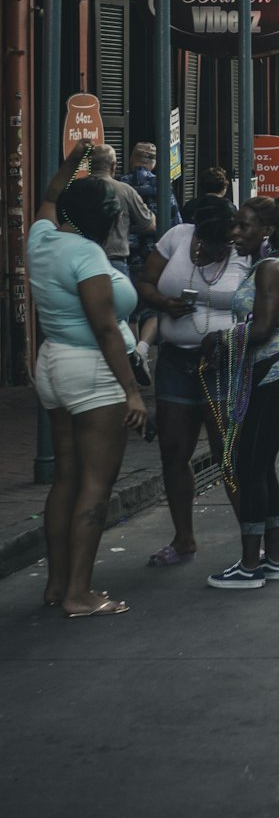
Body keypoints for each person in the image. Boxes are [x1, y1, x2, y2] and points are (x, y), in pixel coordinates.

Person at [26, 144, 147, 617]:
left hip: (53, 363)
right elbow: (103, 329)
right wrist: (132, 391)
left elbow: (52, 195)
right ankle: (80, 593)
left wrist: (75, 158)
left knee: (66, 479)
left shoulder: (42, 238)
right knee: (97, 484)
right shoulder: (88, 257)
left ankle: (57, 585)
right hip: (93, 370)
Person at [136, 196, 250, 566]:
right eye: (205, 242)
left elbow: (264, 309)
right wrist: (166, 304)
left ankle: (253, 544)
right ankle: (183, 539)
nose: (211, 250)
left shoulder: (245, 254)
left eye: (221, 243)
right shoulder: (176, 237)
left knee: (227, 456)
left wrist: (235, 340)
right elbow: (147, 284)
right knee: (174, 451)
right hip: (175, 361)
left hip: (222, 365)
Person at [205, 196, 279, 589]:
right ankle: (276, 559)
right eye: (235, 224)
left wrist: (219, 338)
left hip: (277, 376)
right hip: (268, 376)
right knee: (260, 466)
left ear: (267, 230)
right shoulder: (261, 268)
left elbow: (263, 329)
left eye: (244, 226)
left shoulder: (269, 269)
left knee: (248, 467)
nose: (235, 233)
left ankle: (250, 565)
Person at [88, 145, 155, 277]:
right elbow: (149, 225)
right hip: (115, 261)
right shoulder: (125, 190)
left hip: (83, 261)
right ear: (113, 165)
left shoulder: (77, 188)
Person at [121, 142, 181, 278]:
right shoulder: (162, 185)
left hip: (124, 252)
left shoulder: (119, 183)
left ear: (132, 159)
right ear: (154, 163)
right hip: (153, 254)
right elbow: (174, 221)